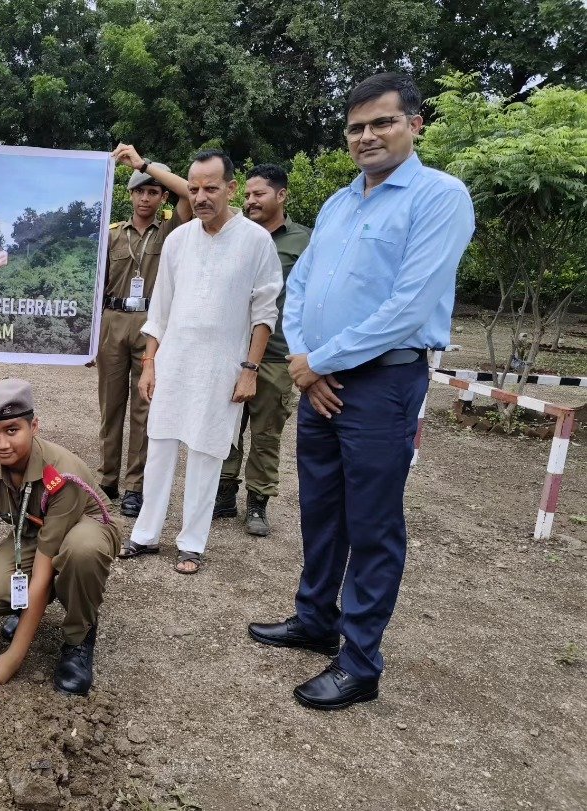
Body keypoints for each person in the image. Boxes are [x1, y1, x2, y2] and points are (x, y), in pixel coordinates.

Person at [249, 72, 475, 710]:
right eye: (356, 127)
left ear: (415, 124)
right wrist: (306, 361)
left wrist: (319, 361)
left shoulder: (438, 197)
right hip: (318, 377)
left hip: (381, 382)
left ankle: (359, 661)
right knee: (322, 510)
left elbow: (409, 308)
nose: (367, 136)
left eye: (382, 122)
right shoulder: (339, 203)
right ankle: (314, 618)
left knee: (372, 525)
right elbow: (306, 286)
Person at [117, 150, 282, 574]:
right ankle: (145, 534)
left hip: (223, 365)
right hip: (174, 360)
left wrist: (250, 370)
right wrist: (150, 362)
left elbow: (264, 314)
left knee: (208, 452)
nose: (202, 196)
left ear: (231, 188)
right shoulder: (178, 239)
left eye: (211, 188)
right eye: (194, 189)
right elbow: (161, 310)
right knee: (160, 446)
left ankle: (192, 542)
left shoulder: (256, 241)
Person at [0, 379, 119, 702]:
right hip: (36, 531)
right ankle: (35, 604)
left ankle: (79, 636)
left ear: (34, 426)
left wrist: (14, 655)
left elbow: (41, 572)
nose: (1, 444)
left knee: (81, 552)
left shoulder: (61, 475)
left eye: (12, 430)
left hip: (87, 526)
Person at [213, 165, 312, 536]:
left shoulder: (304, 241)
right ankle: (223, 495)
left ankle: (257, 503)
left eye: (260, 195)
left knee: (266, 433)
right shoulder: (235, 235)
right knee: (226, 428)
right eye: (248, 195)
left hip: (277, 355)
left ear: (281, 195)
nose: (251, 201)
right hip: (231, 349)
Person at [95, 144, 192, 518]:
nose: (145, 198)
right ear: (131, 194)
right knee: (111, 405)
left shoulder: (172, 228)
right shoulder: (113, 233)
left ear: (162, 195)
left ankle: (135, 485)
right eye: (140, 190)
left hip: (153, 323)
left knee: (144, 408)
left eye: (153, 191)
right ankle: (107, 477)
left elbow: (188, 191)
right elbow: (97, 285)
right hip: (113, 320)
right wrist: (90, 339)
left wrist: (144, 164)